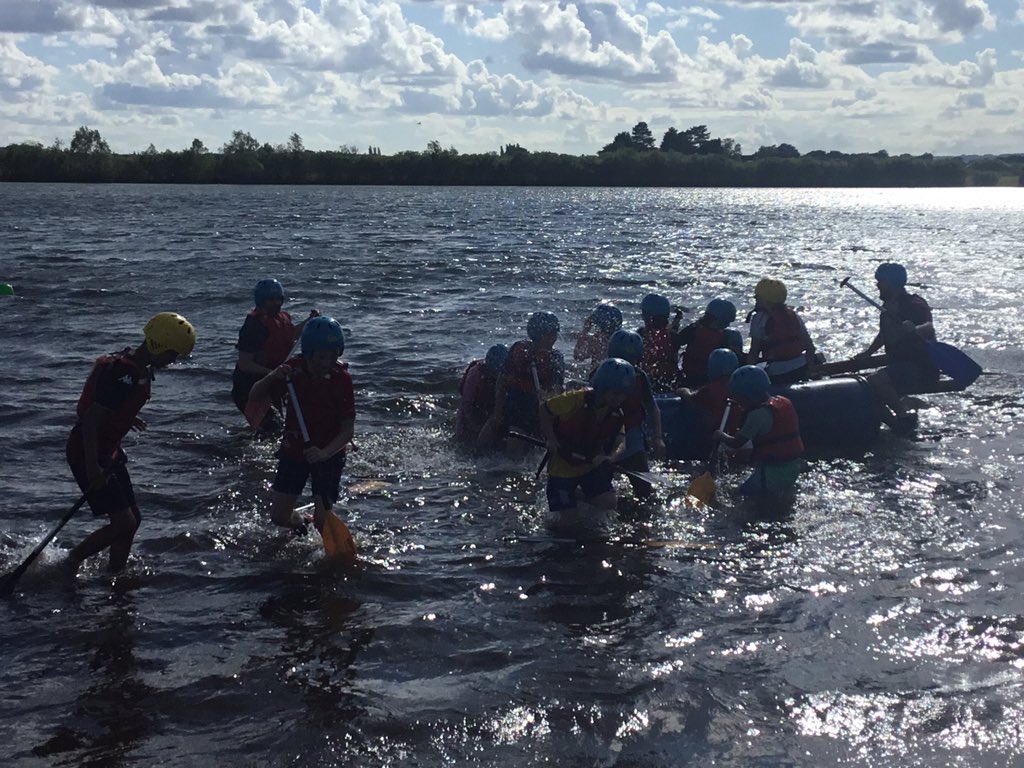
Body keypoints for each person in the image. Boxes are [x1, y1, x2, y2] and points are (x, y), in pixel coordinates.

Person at [64, 312, 196, 574]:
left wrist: (127, 417)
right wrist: (92, 466)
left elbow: (109, 406)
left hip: (108, 451)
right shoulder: (124, 374)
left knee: (132, 520)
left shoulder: (136, 369)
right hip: (87, 451)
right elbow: (91, 419)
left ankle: (115, 573)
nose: (173, 361)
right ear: (159, 345)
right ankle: (69, 562)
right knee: (123, 522)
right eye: (172, 354)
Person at [249, 317, 355, 535]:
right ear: (308, 353)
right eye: (321, 357)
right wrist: (273, 376)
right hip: (295, 450)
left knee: (322, 522)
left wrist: (325, 454)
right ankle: (301, 524)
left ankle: (320, 526)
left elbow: (347, 431)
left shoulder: (341, 379)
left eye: (332, 356)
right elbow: (254, 395)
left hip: (328, 453)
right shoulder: (292, 371)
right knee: (279, 517)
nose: (326, 363)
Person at [540, 358, 634, 521]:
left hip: (589, 466)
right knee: (568, 523)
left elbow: (621, 442)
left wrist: (610, 457)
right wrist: (551, 439)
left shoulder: (615, 414)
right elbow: (545, 409)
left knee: (609, 502)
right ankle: (568, 499)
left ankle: (578, 495)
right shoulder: (575, 399)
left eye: (623, 394)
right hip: (562, 465)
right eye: (616, 393)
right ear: (603, 387)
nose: (619, 398)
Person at [855, 262, 938, 434]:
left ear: (892, 283)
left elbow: (929, 327)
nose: (877, 284)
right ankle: (897, 426)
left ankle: (904, 415)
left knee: (876, 380)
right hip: (899, 366)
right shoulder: (887, 307)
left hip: (920, 367)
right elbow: (884, 335)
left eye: (880, 281)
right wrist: (868, 354)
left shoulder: (914, 304)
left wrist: (916, 329)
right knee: (866, 390)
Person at [232, 278, 319, 431]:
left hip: (273, 384)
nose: (276, 303)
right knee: (272, 426)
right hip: (249, 387)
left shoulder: (281, 319)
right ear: (261, 301)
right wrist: (273, 373)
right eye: (271, 300)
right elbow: (245, 364)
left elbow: (289, 336)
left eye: (278, 299)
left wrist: (309, 321)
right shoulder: (253, 326)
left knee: (281, 425)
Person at [713, 365, 804, 500]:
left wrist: (721, 435)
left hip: (771, 472)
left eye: (739, 399)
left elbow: (737, 442)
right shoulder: (784, 401)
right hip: (794, 466)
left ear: (748, 397)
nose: (738, 403)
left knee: (738, 497)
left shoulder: (757, 416)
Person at [481, 311, 564, 449]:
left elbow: (557, 388)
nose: (554, 338)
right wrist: (498, 411)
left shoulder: (555, 357)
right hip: (517, 405)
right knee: (505, 428)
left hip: (540, 407)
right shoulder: (519, 351)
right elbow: (502, 381)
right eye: (550, 335)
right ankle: (478, 452)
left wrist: (549, 399)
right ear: (539, 335)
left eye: (554, 334)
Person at [606, 330, 665, 500]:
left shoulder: (640, 376)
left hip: (632, 440)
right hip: (606, 439)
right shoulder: (601, 373)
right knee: (600, 486)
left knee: (644, 491)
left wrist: (658, 437)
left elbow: (653, 408)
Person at [747, 278, 818, 386]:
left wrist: (749, 376)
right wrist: (809, 369)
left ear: (766, 300)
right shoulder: (794, 316)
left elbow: (754, 352)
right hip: (800, 368)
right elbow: (810, 347)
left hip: (777, 373)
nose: (756, 300)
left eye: (758, 297)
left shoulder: (759, 319)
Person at [678, 347, 743, 455]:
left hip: (719, 439)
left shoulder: (709, 390)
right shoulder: (743, 387)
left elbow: (690, 397)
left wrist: (683, 390)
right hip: (742, 438)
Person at [677, 299, 744, 387]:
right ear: (721, 320)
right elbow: (737, 361)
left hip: (688, 377)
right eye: (727, 321)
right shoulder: (727, 337)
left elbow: (676, 342)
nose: (728, 325)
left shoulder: (693, 330)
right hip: (710, 381)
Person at [455, 343, 509, 449]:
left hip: (491, 408)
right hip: (474, 408)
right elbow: (467, 404)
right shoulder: (475, 374)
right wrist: (475, 426)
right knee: (466, 442)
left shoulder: (507, 373)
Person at [636, 293, 683, 393]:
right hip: (670, 381)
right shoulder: (673, 337)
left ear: (648, 317)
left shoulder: (640, 335)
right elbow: (668, 333)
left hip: (646, 382)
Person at [574, 303, 622, 371]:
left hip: (598, 376)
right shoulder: (620, 340)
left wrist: (584, 331)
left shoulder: (596, 340)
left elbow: (578, 356)